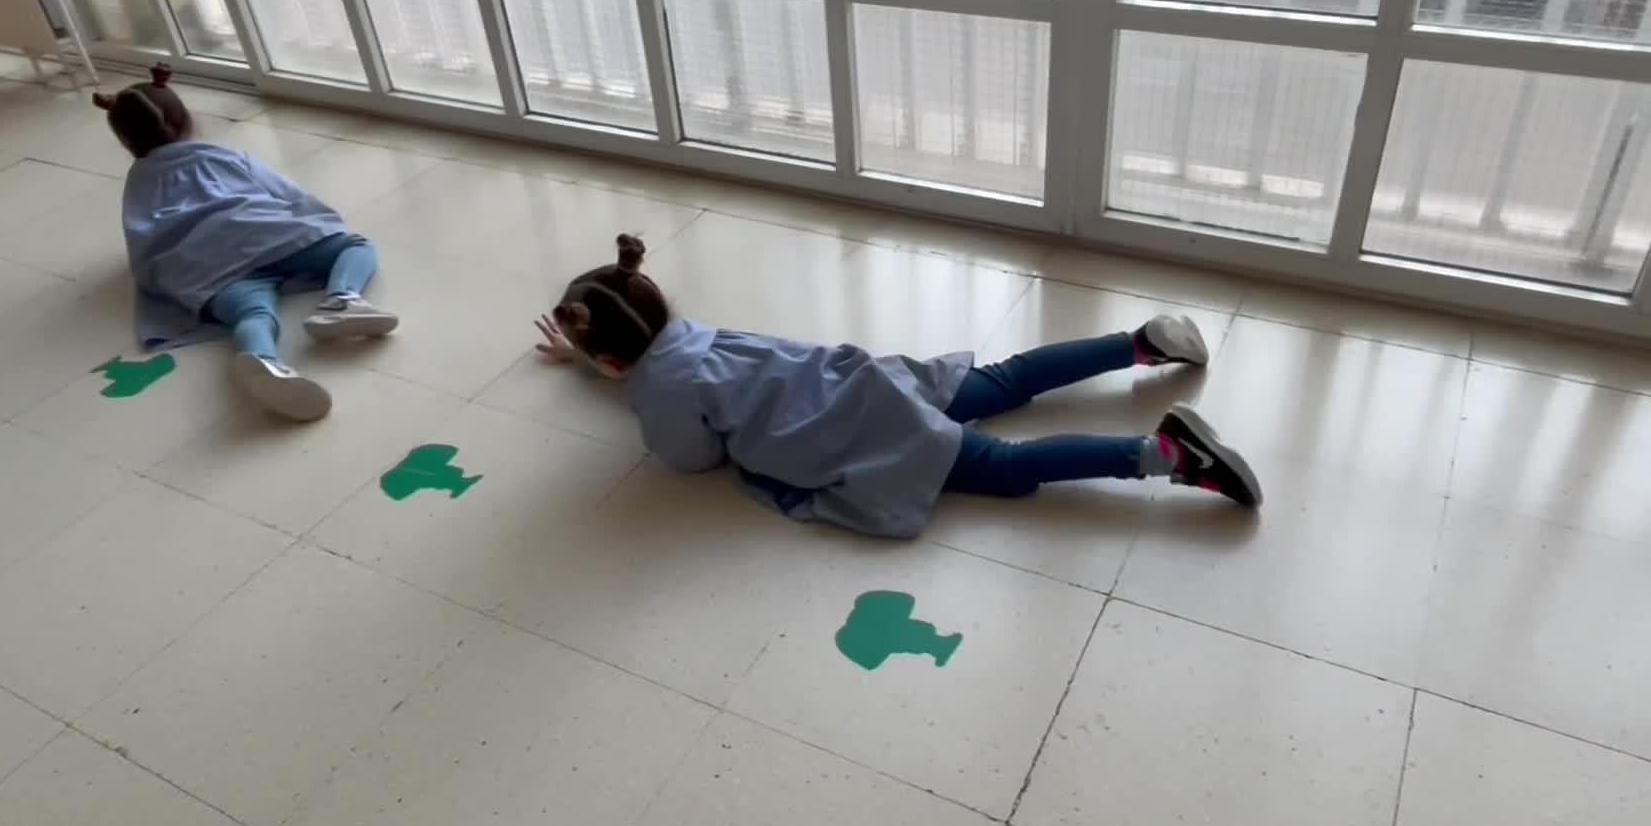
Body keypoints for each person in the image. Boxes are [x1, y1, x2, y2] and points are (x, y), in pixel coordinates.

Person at [534, 234, 1261, 540]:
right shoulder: (693, 336)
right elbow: (664, 364)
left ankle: (1169, 454)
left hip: (866, 437)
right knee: (1008, 379)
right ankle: (1142, 343)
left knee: (1005, 467)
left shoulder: (658, 388)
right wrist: (604, 364)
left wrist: (609, 376)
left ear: (611, 362)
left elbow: (691, 455)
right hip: (875, 384)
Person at [96, 64, 398, 421]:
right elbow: (287, 194)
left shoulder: (139, 183)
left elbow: (143, 240)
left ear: (127, 142)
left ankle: (264, 360)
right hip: (269, 236)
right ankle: (343, 299)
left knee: (251, 313)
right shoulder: (222, 155)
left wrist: (166, 279)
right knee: (355, 246)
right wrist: (319, 221)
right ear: (185, 120)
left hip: (208, 271)